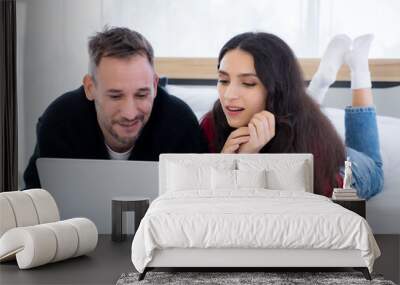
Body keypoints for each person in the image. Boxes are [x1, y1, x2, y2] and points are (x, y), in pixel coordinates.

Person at [200, 32, 383, 199]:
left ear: (277, 89)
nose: (228, 95)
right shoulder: (212, 123)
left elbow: (308, 212)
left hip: (343, 170)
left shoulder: (307, 136)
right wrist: (232, 162)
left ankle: (359, 70)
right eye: (223, 80)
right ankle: (318, 84)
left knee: (374, 167)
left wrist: (246, 165)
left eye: (248, 83)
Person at [24, 27, 207, 188]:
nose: (129, 113)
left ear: (154, 84)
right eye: (115, 96)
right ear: (90, 88)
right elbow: (36, 203)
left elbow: (196, 208)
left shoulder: (181, 125)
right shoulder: (59, 122)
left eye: (142, 95)